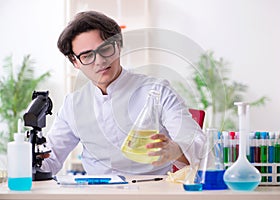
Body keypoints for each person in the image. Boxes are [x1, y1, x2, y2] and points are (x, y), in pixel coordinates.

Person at [42, 10, 205, 175]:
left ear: (118, 46)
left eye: (105, 49)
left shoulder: (158, 91)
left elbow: (199, 144)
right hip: (97, 192)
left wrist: (176, 150)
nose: (100, 61)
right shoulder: (73, 104)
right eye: (87, 56)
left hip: (153, 191)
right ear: (75, 61)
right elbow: (50, 159)